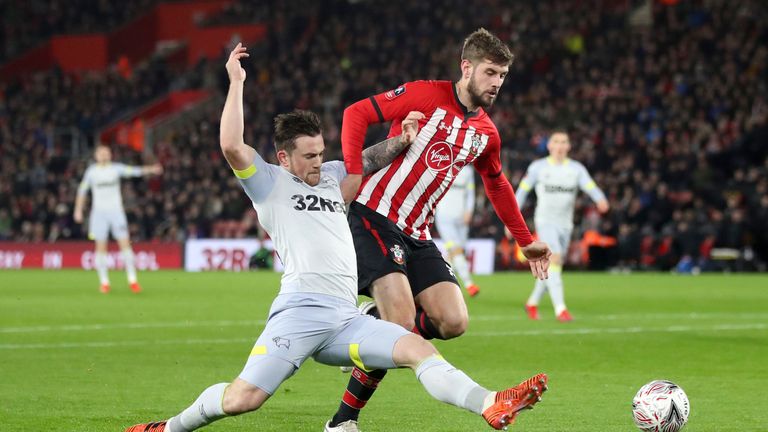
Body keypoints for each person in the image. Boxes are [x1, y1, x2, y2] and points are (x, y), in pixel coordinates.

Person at [124, 43, 548, 432]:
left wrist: (402, 139)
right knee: (242, 399)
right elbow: (232, 145)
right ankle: (169, 428)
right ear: (283, 157)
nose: (319, 163)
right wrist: (236, 84)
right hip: (299, 314)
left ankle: (490, 402)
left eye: (321, 152)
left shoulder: (332, 177)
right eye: (309, 156)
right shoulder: (268, 184)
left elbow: (367, 158)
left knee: (418, 348)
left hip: (346, 320)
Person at [327, 28, 552, 432]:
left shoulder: (486, 134)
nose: (497, 83)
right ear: (466, 67)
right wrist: (354, 175)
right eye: (490, 73)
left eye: (502, 75)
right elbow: (355, 114)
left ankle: (369, 324)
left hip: (417, 231)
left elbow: (497, 184)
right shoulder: (423, 94)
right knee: (400, 322)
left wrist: (526, 240)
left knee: (453, 321)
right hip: (374, 214)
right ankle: (343, 421)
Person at [515, 130, 609, 322]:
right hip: (545, 221)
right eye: (556, 141)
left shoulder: (576, 169)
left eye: (563, 142)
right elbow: (521, 192)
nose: (559, 145)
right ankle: (561, 309)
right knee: (555, 259)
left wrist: (601, 200)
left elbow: (590, 186)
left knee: (553, 266)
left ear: (568, 146)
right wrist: (512, 219)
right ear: (549, 146)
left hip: (566, 224)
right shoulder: (538, 167)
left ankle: (532, 303)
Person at [73, 145, 162, 293]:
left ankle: (133, 280)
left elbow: (134, 171)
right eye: (101, 153)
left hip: (116, 213)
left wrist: (151, 169)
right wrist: (78, 210)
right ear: (96, 156)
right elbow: (82, 191)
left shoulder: (116, 168)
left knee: (125, 245)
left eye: (106, 153)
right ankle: (104, 282)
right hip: (99, 214)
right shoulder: (91, 172)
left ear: (110, 155)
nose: (104, 155)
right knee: (100, 248)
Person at [434, 165, 480, 296]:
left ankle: (442, 282)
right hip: (444, 216)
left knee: (455, 253)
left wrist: (468, 211)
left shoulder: (468, 171)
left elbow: (470, 193)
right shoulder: (442, 166)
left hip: (461, 217)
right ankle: (469, 284)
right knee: (455, 249)